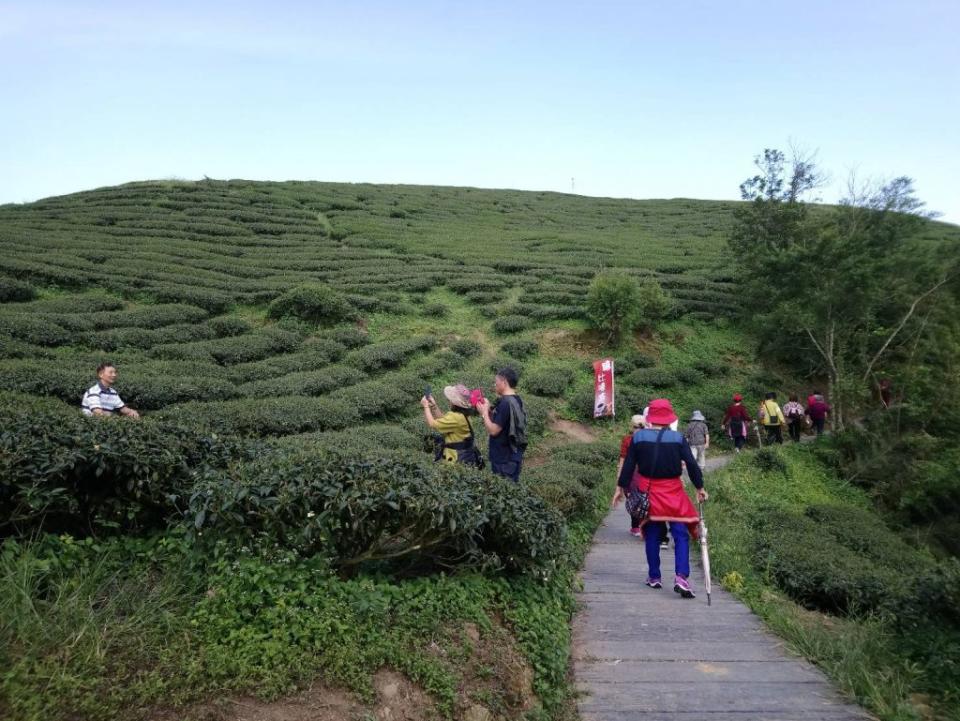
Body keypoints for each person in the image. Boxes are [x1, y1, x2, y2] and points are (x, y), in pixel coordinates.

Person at [612, 398, 707, 598]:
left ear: (650, 418)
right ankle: (681, 576)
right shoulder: (678, 438)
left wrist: (620, 488)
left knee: (652, 534)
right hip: (673, 492)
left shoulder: (638, 438)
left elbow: (629, 465)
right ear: (669, 418)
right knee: (680, 534)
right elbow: (691, 464)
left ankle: (654, 576)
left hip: (649, 492)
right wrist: (700, 487)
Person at [476, 367, 526, 482]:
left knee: (504, 491)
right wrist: (488, 410)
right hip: (513, 455)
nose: (495, 384)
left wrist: (484, 414)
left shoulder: (505, 403)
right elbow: (502, 421)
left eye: (496, 381)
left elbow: (494, 430)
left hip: (504, 459)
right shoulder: (517, 399)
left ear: (504, 382)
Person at [421, 383, 481, 465]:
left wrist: (425, 406)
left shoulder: (455, 417)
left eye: (450, 400)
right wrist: (434, 406)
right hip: (466, 455)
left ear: (454, 402)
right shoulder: (463, 415)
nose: (449, 401)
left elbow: (432, 424)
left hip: (456, 457)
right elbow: (443, 420)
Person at [618, 414, 647, 537]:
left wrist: (619, 476)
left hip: (631, 474)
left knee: (632, 498)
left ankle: (635, 527)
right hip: (646, 472)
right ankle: (643, 525)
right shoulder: (650, 439)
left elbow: (623, 459)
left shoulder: (627, 440)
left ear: (631, 426)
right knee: (645, 498)